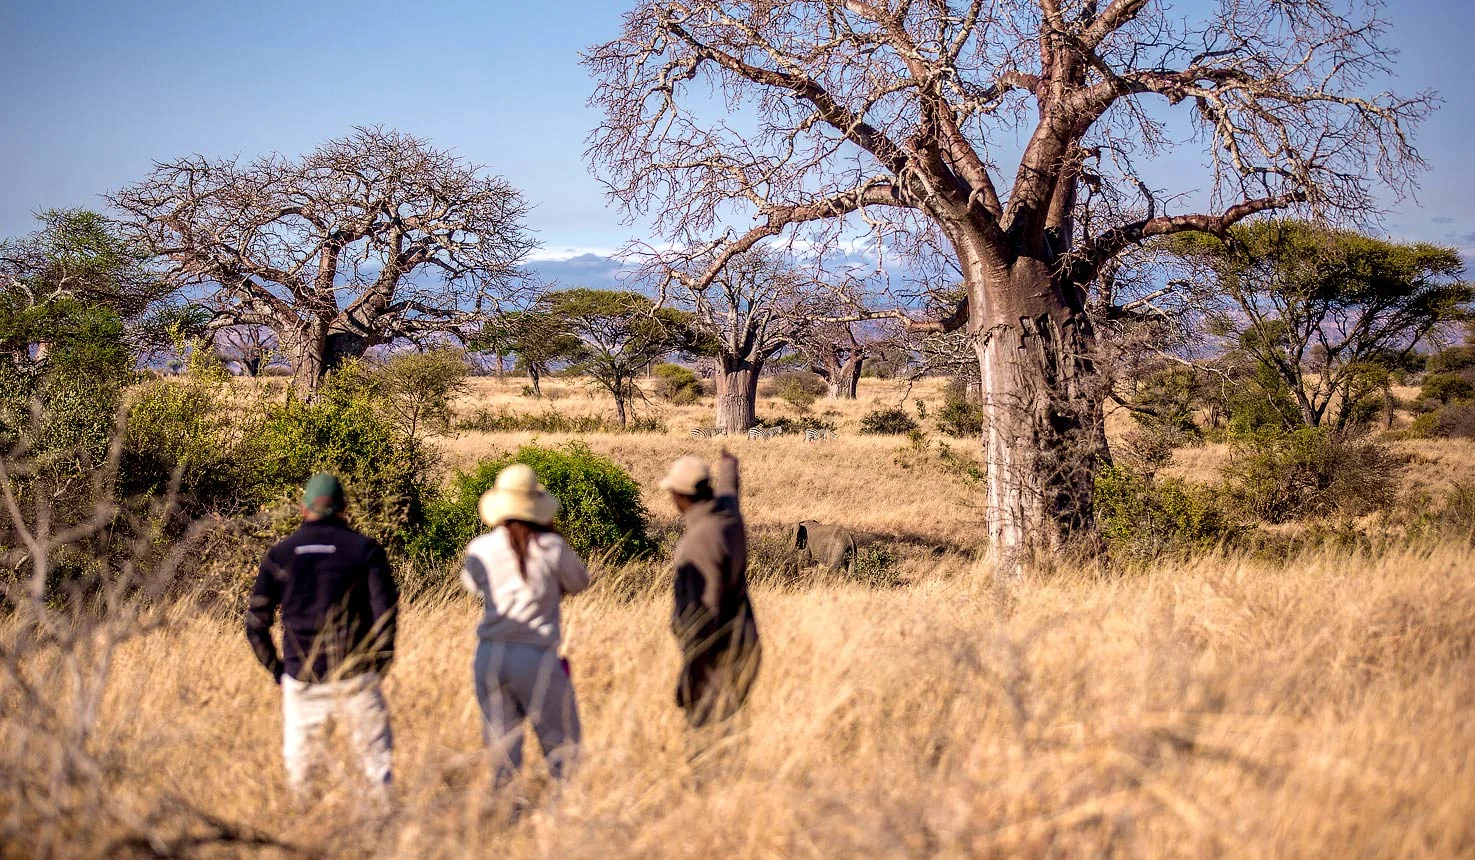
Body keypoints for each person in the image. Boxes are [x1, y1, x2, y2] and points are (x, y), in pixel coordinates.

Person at [245, 473, 398, 802]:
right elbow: (385, 615)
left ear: (303, 509)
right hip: (356, 676)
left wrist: (280, 672)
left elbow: (256, 624)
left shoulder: (280, 554)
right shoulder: (365, 550)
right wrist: (378, 665)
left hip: (303, 678)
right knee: (376, 770)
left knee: (302, 779)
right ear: (345, 508)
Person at [461, 464, 590, 785]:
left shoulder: (481, 548)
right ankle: (565, 817)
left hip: (489, 656)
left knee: (502, 756)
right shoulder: (551, 547)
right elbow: (579, 582)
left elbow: (473, 585)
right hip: (535, 656)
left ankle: (504, 820)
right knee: (564, 749)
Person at [659, 449, 762, 729]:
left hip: (719, 651)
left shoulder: (701, 541)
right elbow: (730, 489)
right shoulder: (728, 514)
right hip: (745, 641)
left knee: (709, 735)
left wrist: (691, 675)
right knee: (731, 724)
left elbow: (705, 616)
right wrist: (729, 463)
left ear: (679, 497)